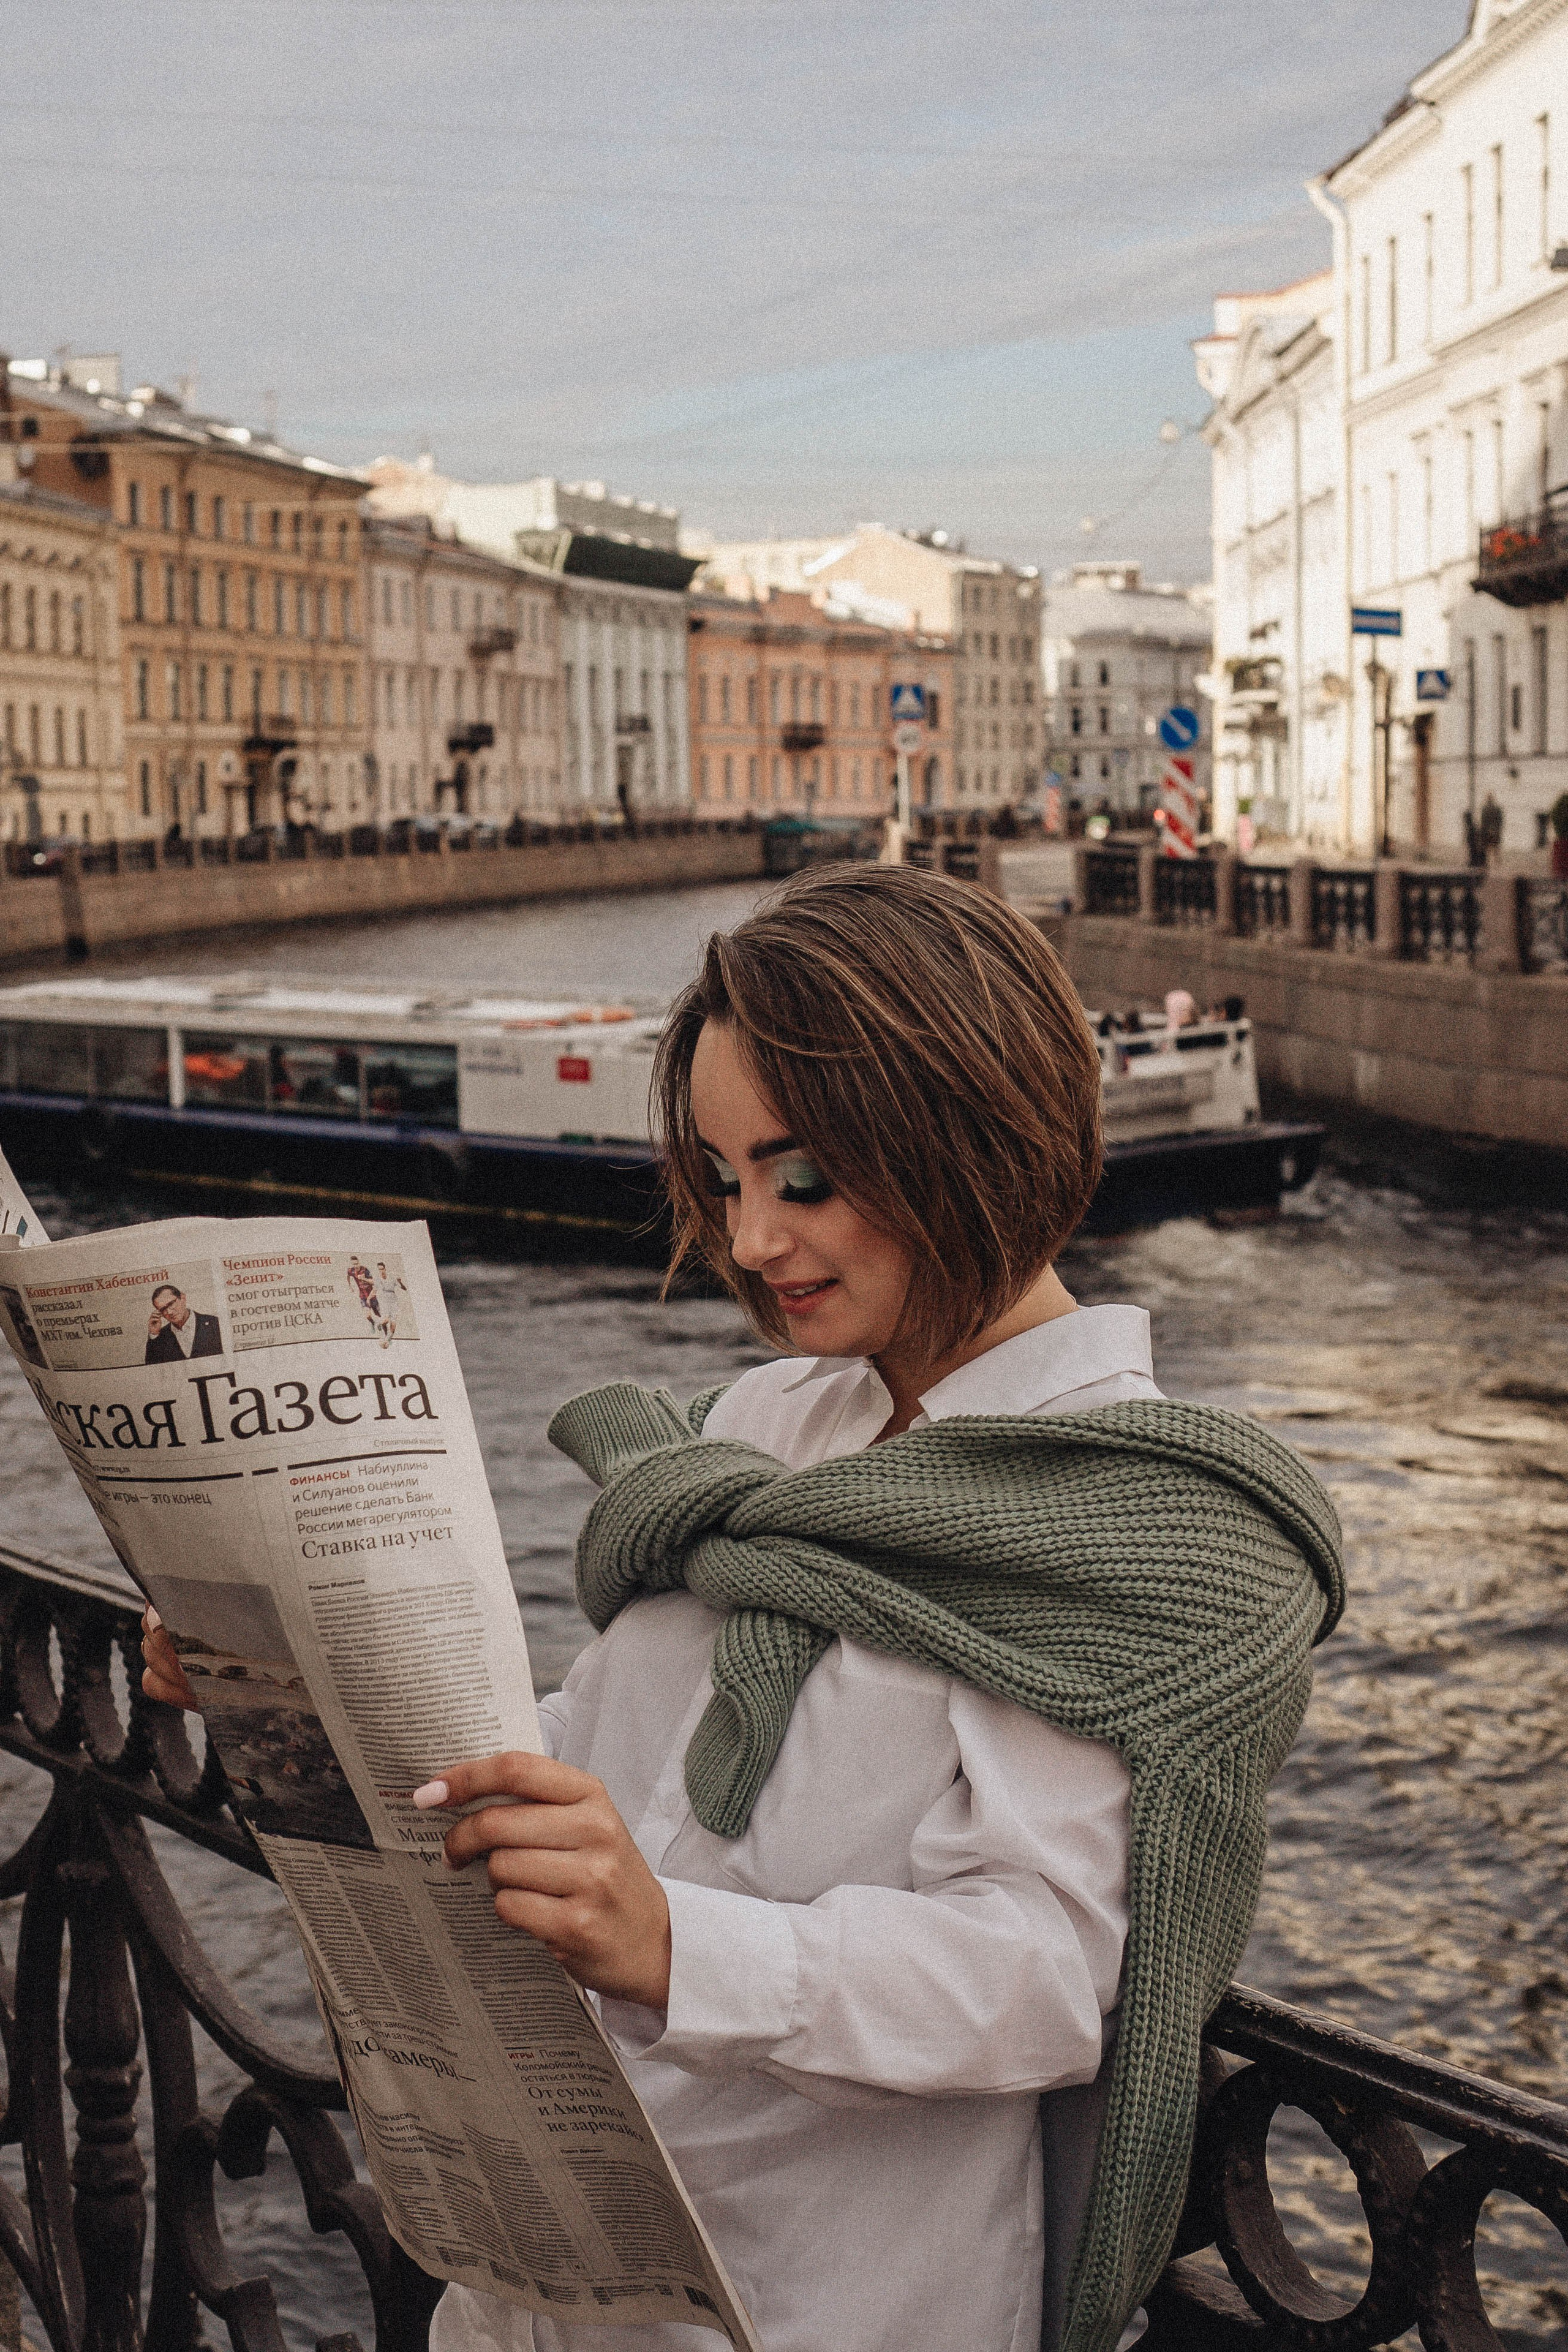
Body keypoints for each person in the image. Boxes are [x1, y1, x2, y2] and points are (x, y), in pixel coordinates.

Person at [143, 866, 1341, 2352]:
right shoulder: (759, 1428)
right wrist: (294, 1680)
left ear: (969, 1132)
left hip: (819, 2300)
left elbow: (1045, 1975)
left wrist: (675, 1945)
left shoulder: (1122, 1525)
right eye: (720, 1178)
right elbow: (599, 1755)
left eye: (804, 1177)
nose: (751, 1238)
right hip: (552, 2270)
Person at [144, 1283, 222, 1363]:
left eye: (171, 1304)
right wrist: (154, 1334)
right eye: (163, 1309)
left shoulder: (215, 1324)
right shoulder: (160, 1338)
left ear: (183, 1298)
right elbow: (152, 1369)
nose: (169, 1312)